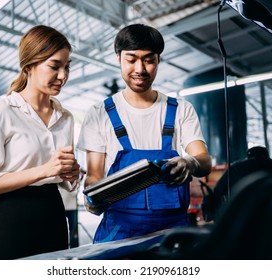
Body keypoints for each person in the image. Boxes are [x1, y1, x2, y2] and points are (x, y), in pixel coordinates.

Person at [77, 23, 212, 243]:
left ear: (159, 60)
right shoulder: (99, 113)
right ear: (118, 58)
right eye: (131, 60)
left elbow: (203, 160)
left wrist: (190, 163)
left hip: (171, 234)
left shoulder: (181, 109)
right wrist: (92, 198)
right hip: (118, 234)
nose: (140, 69)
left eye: (149, 60)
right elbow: (94, 176)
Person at [0, 25, 81, 260]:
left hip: (55, 213)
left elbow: (63, 179)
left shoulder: (65, 118)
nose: (63, 75)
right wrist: (44, 170)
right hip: (11, 217)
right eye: (55, 66)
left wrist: (71, 173)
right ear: (29, 66)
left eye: (67, 67)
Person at [210, 146, 272, 221]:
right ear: (267, 155)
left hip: (243, 216)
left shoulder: (236, 168)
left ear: (248, 156)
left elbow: (218, 191)